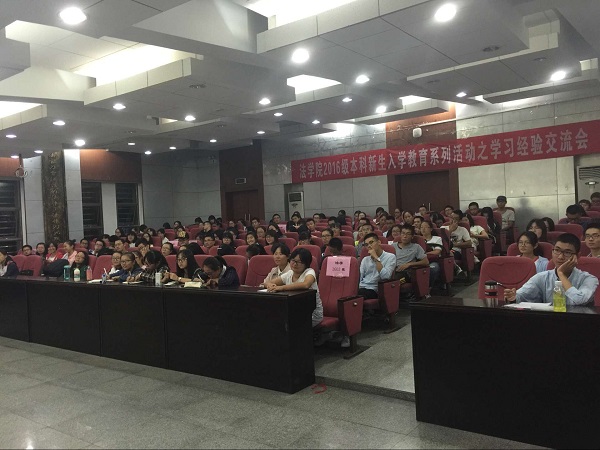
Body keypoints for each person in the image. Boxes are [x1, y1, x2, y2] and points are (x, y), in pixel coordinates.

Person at [505, 233, 598, 305]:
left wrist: (561, 274)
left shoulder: (589, 279)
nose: (560, 257)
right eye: (557, 250)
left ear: (577, 256)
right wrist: (513, 297)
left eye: (567, 252)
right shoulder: (542, 277)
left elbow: (579, 300)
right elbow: (521, 295)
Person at [266, 248, 323, 328]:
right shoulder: (290, 273)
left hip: (311, 314)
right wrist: (270, 285)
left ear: (306, 263)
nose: (295, 264)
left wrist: (282, 288)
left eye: (299, 262)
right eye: (293, 261)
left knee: (284, 325)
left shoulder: (309, 272)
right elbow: (270, 282)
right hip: (293, 311)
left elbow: (305, 284)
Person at [357, 233, 396, 299]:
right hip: (362, 287)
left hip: (376, 289)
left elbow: (385, 277)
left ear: (379, 242)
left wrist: (376, 258)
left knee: (359, 295)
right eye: (366, 245)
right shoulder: (365, 259)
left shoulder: (390, 257)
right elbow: (360, 277)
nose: (369, 246)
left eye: (371, 242)